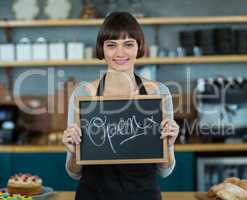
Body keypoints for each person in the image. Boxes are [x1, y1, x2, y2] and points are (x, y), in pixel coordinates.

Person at [62, 11, 179, 200]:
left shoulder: (158, 94)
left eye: (128, 44)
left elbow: (164, 171)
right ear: (102, 49)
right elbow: (73, 172)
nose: (120, 53)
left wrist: (169, 144)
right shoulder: (83, 95)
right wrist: (74, 151)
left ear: (139, 48)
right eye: (111, 45)